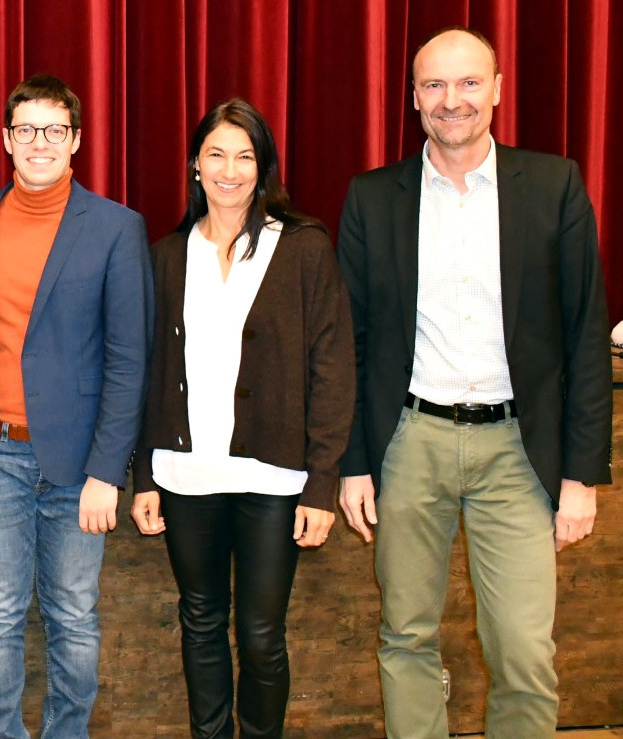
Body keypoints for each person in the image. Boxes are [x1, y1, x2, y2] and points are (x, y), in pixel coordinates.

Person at [336, 26, 611, 738]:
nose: (450, 100)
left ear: (495, 90)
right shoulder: (372, 198)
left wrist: (582, 476)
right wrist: (356, 462)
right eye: (433, 84)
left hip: (518, 451)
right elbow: (352, 343)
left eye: (466, 83)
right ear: (414, 97)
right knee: (406, 635)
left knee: (524, 649)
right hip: (410, 443)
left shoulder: (554, 185)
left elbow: (585, 334)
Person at [129, 98, 354, 738]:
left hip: (274, 481)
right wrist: (145, 475)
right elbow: (148, 371)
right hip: (186, 474)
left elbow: (332, 370)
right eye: (216, 154)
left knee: (261, 635)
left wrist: (322, 483)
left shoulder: (304, 247)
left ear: (264, 167)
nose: (230, 170)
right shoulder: (167, 255)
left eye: (245, 156)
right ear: (195, 166)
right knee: (199, 620)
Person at [0, 73, 153, 738]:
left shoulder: (117, 228)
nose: (40, 142)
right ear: (7, 139)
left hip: (77, 467)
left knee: (72, 616)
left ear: (76, 140)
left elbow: (129, 360)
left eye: (54, 130)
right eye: (27, 130)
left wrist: (107, 470)